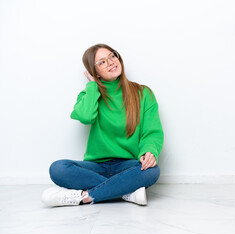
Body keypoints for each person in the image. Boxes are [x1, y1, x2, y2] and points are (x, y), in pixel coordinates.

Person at [41, 43, 164, 207]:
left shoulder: (143, 93)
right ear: (95, 73)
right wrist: (92, 86)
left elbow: (152, 131)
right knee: (58, 168)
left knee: (152, 171)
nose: (111, 62)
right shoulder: (89, 95)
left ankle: (84, 197)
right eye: (102, 62)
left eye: (112, 56)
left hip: (128, 164)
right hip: (95, 166)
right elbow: (85, 117)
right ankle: (126, 192)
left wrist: (150, 151)